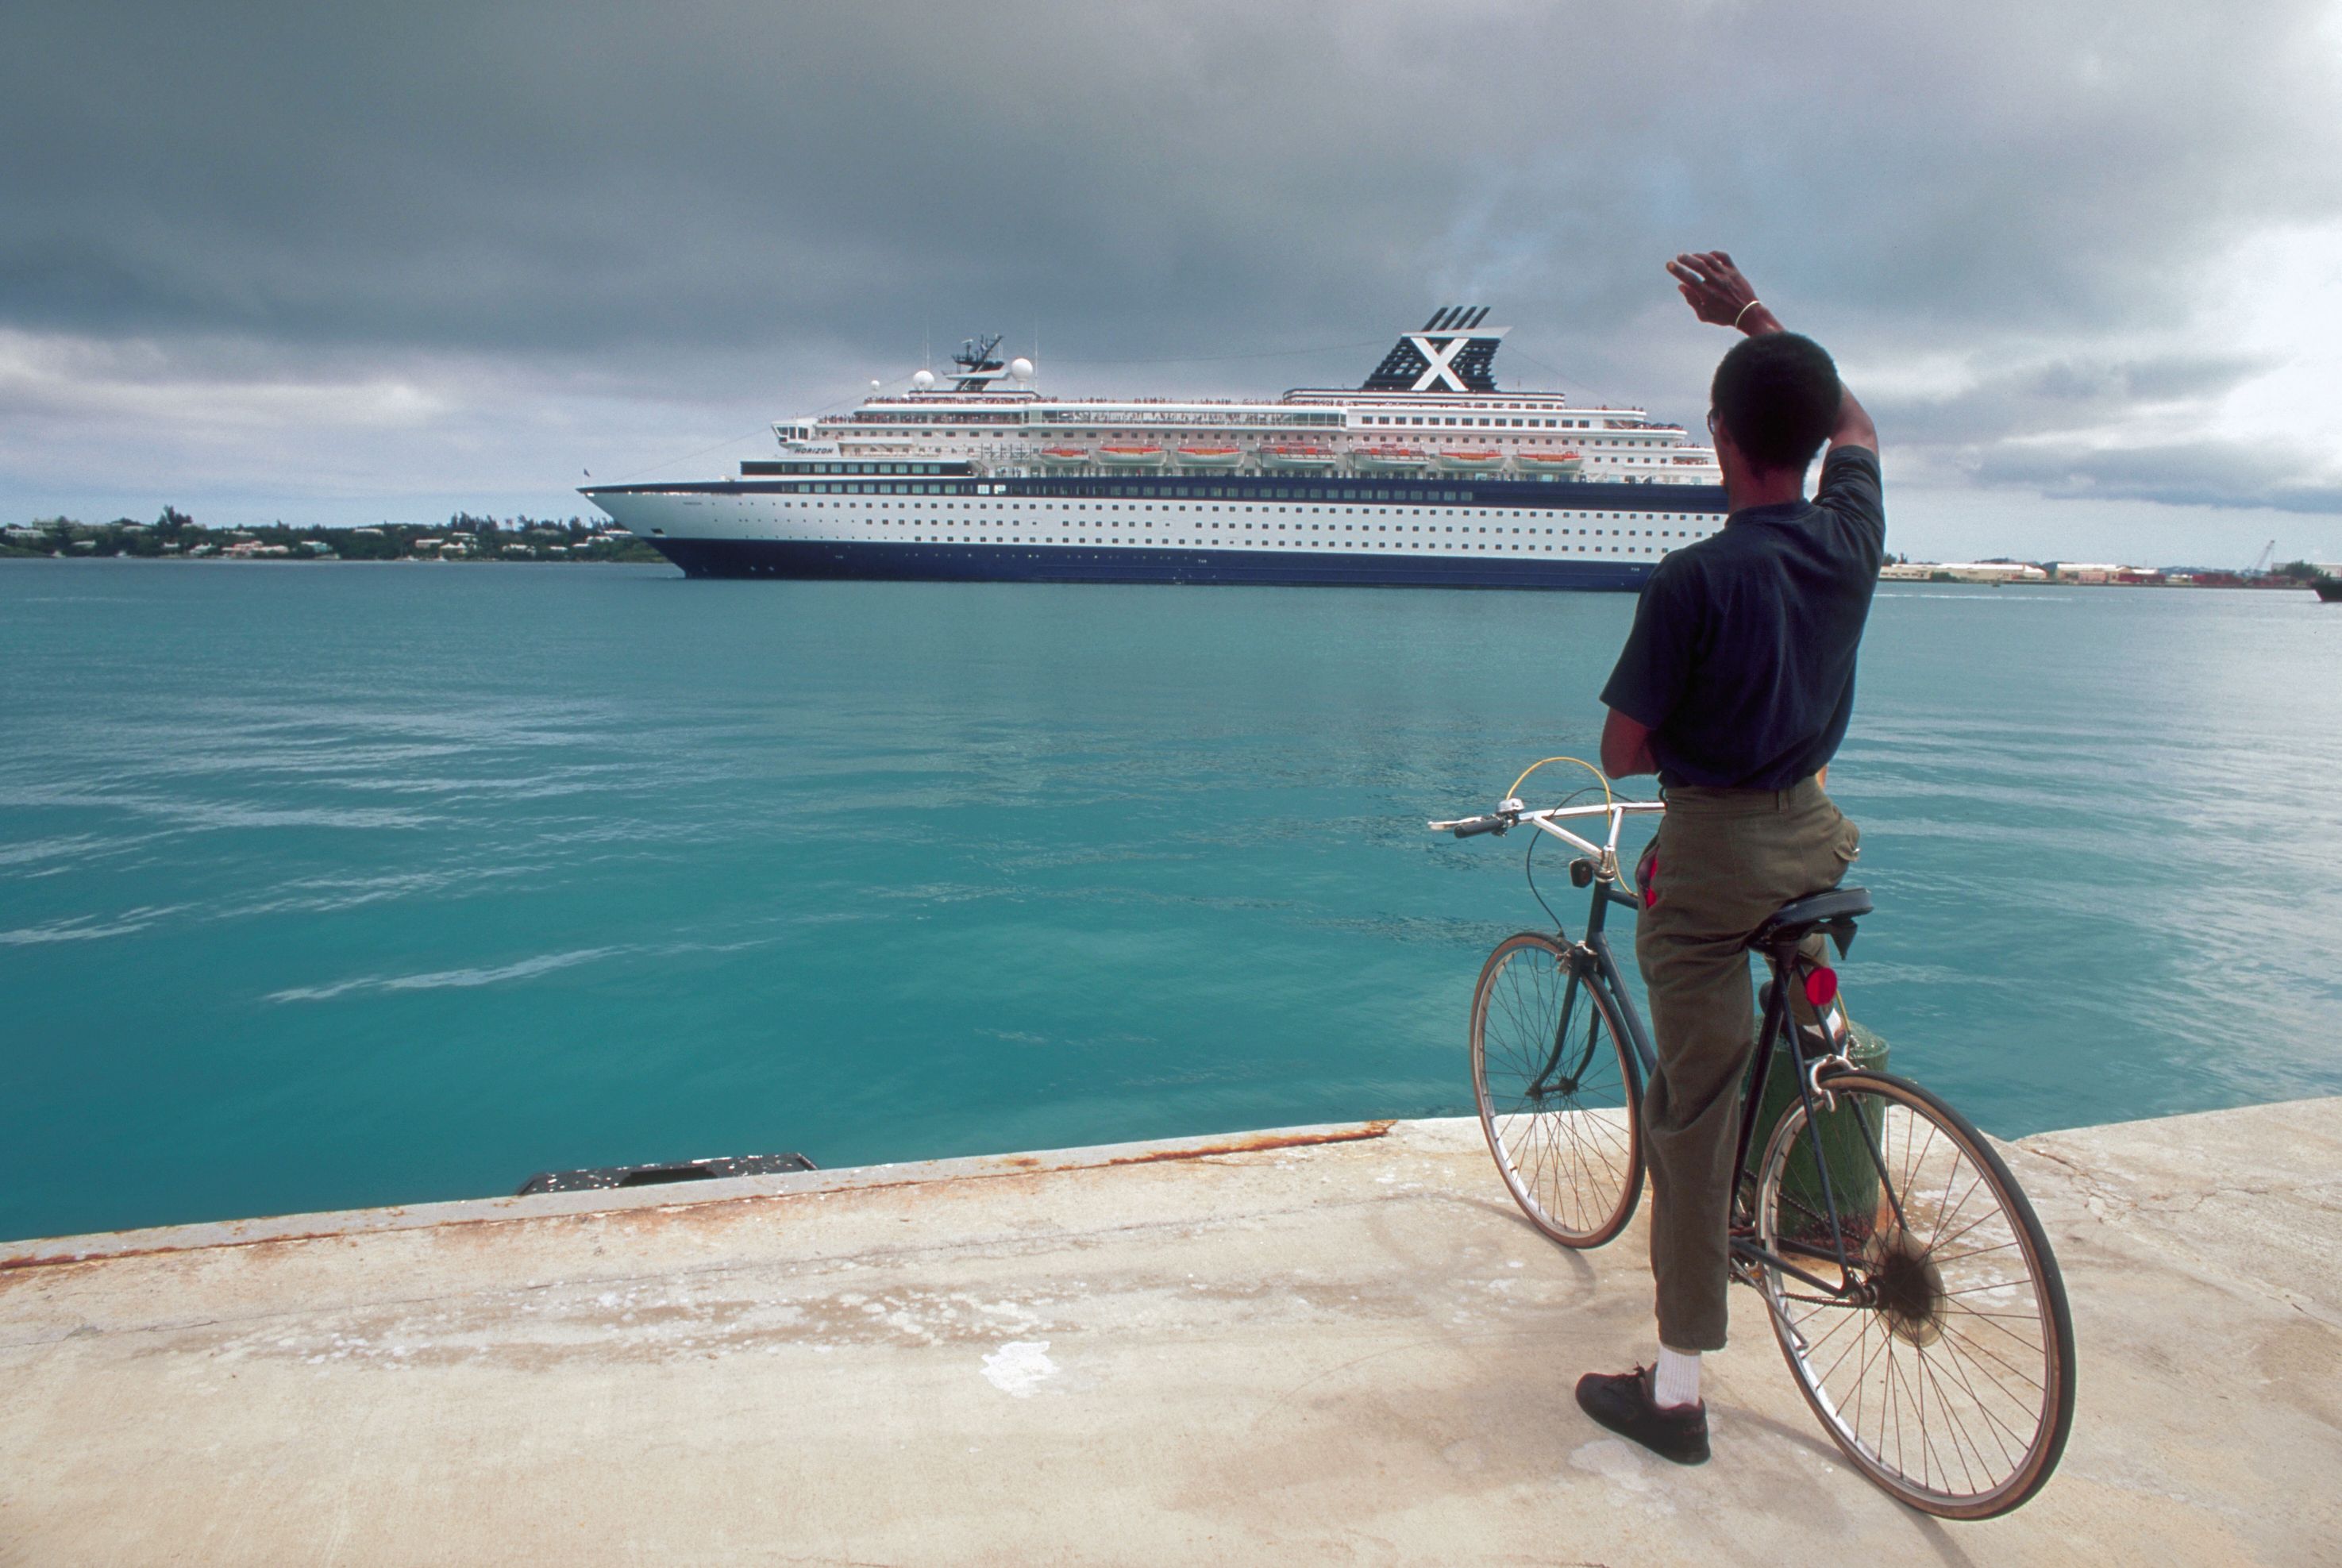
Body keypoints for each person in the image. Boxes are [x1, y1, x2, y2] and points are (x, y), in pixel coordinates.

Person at [1573, 251, 1883, 1466]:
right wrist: (1754, 316)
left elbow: (1620, 753)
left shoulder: (1691, 577)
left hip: (1711, 856)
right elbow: (1849, 414)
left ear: (1715, 434)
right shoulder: (1850, 533)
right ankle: (1817, 1067)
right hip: (1814, 830)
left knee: (1688, 1108)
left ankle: (1675, 1393)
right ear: (1810, 440)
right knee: (1783, 1005)